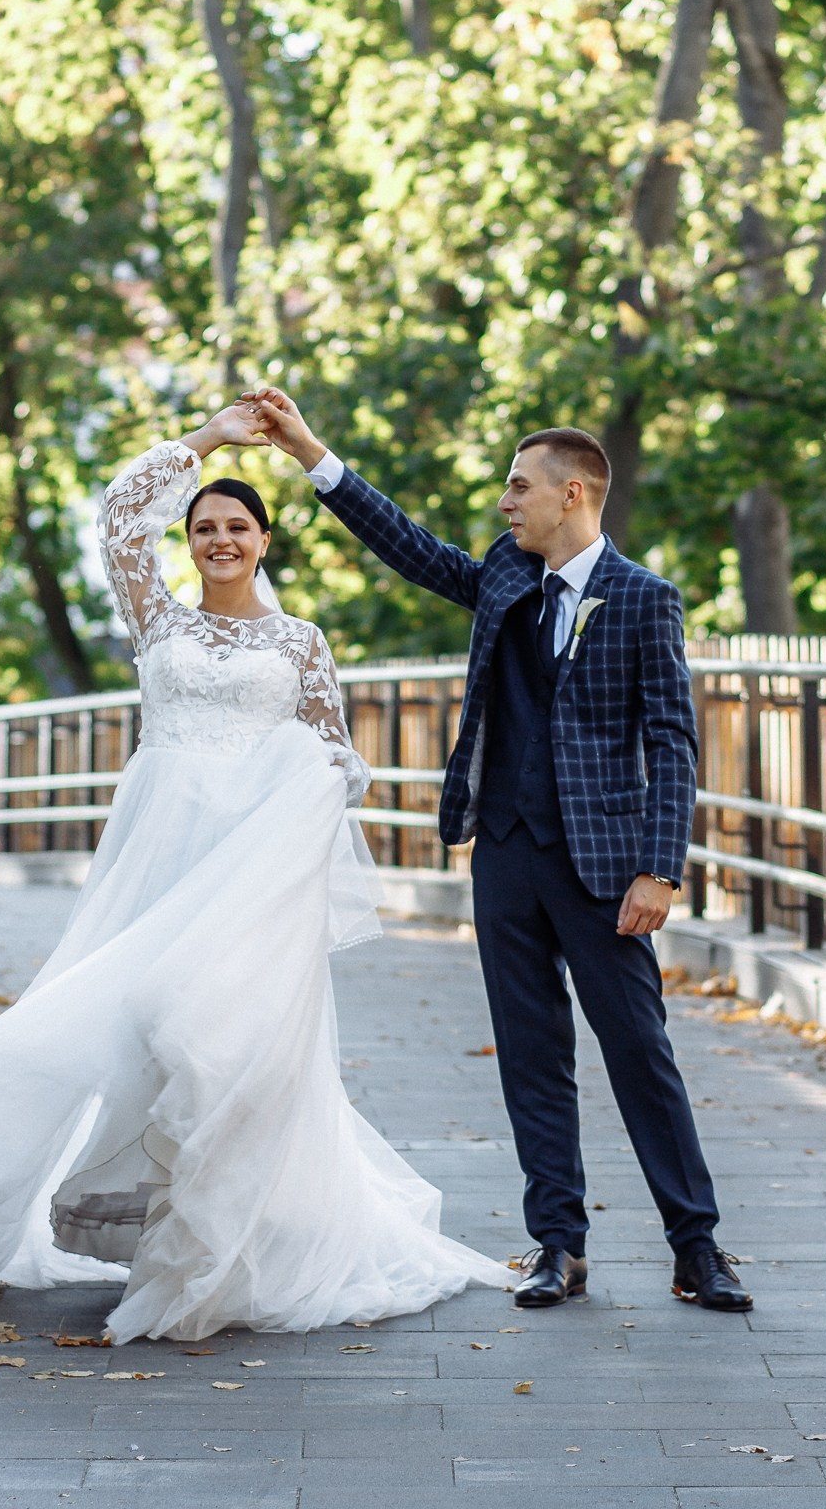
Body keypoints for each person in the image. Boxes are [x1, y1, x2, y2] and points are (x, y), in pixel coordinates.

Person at [0, 401, 510, 1342]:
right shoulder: (154, 615)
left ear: (265, 540)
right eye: (203, 527)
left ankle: (206, 1261)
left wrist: (297, 807)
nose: (218, 540)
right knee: (134, 1030)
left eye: (237, 526)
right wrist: (210, 436)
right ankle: (162, 1231)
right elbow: (121, 514)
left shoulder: (300, 646)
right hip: (155, 861)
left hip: (247, 877)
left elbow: (338, 764)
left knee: (211, 1040)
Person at [246, 385, 751, 1315]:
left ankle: (697, 1246)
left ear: (574, 495)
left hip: (605, 868)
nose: (504, 502)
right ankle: (558, 1244)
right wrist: (312, 455)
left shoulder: (644, 599)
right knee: (530, 1054)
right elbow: (410, 548)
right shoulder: (505, 575)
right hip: (507, 856)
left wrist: (660, 866)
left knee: (639, 1050)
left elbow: (673, 739)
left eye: (519, 487)